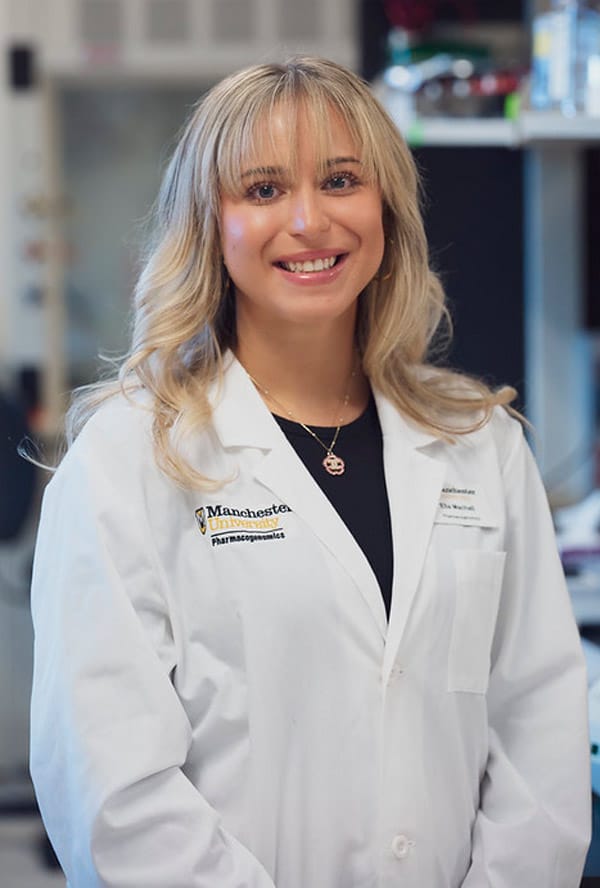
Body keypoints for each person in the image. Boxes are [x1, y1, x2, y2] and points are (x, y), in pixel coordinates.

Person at [30, 57, 590, 888]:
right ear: (210, 223)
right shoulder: (128, 461)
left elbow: (539, 724)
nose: (309, 220)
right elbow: (112, 792)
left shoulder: (481, 443)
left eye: (340, 180)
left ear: (386, 208)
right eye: (263, 189)